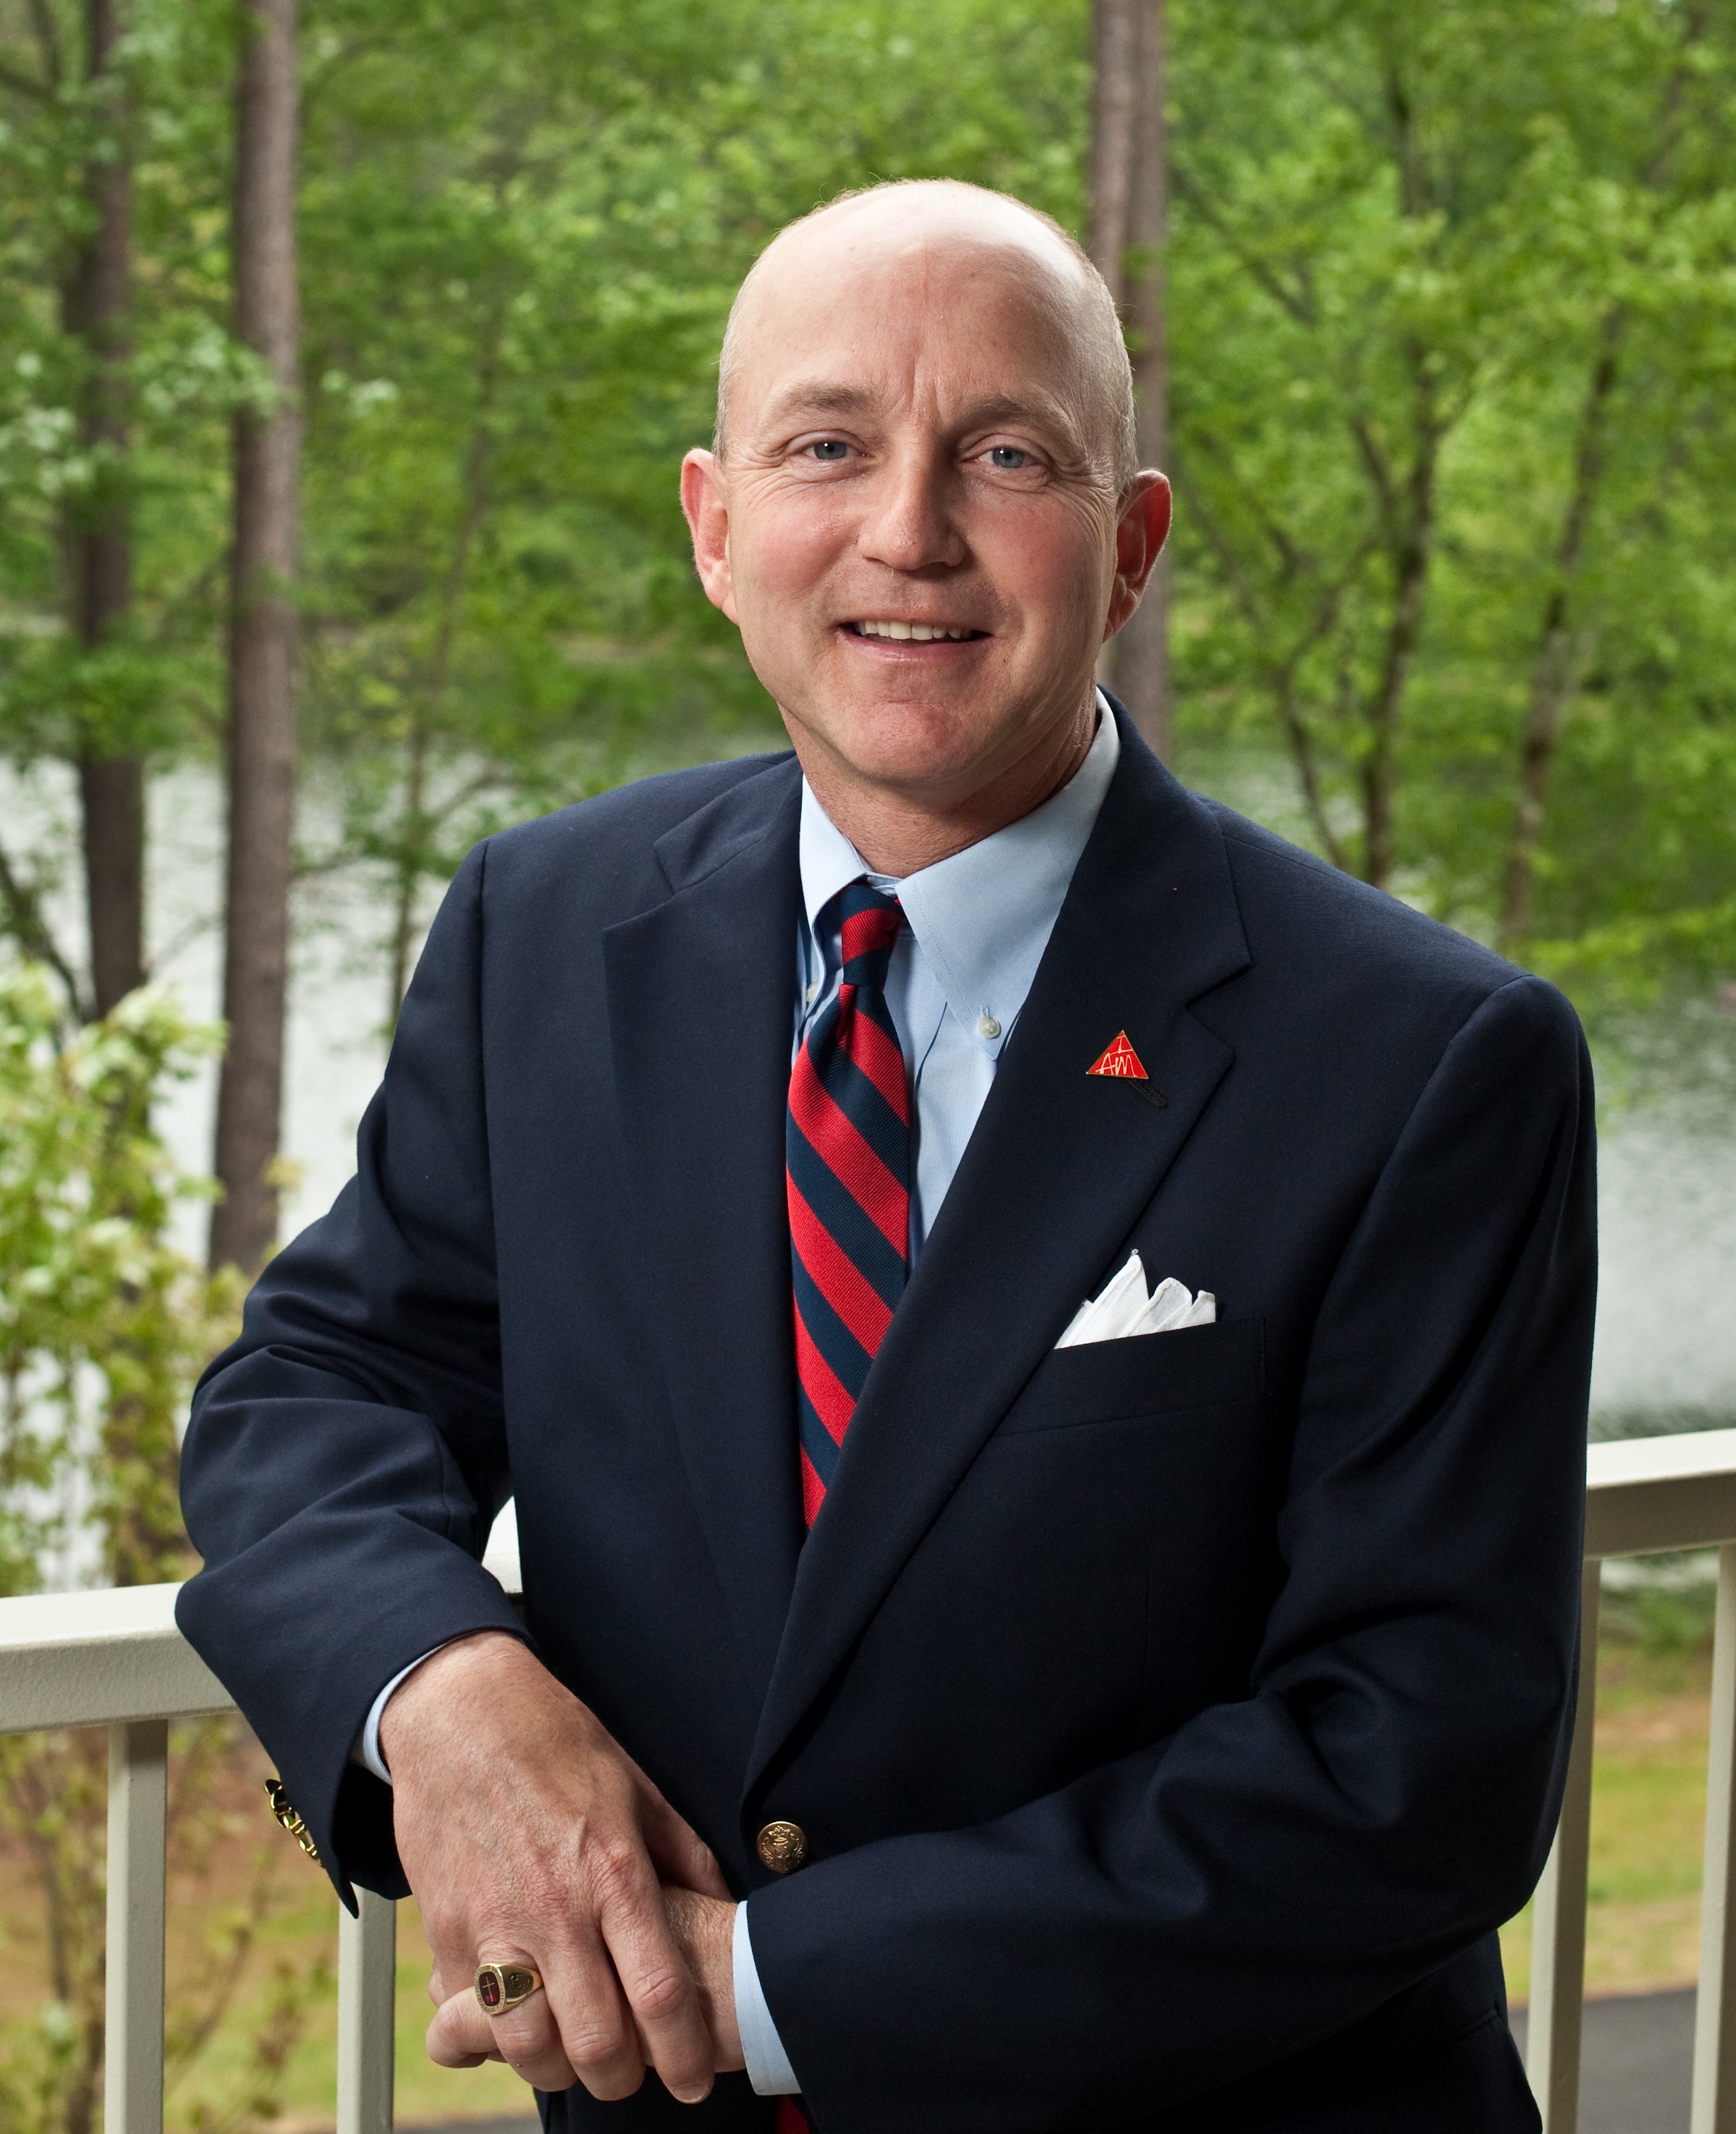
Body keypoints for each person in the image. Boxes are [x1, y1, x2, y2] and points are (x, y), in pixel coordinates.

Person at [177, 179, 1596, 2134]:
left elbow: (1416, 1763)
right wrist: (437, 1684)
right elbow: (321, 1385)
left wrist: (757, 1988)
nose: (908, 530)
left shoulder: (1429, 1057)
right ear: (715, 528)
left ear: (1131, 546)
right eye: (826, 446)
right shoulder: (544, 928)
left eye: (1005, 455)